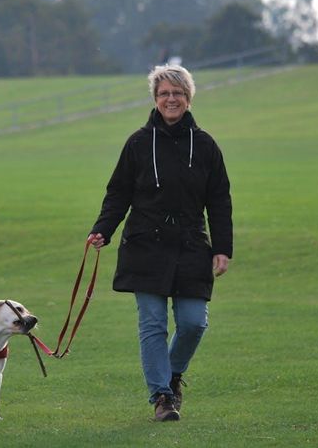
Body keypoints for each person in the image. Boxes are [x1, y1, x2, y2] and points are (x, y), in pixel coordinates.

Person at [89, 64, 233, 422]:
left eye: (178, 93)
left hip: (191, 245)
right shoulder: (138, 143)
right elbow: (118, 192)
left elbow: (219, 200)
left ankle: (172, 374)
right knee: (152, 323)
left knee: (194, 322)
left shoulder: (205, 145)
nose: (172, 99)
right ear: (155, 98)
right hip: (145, 245)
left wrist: (222, 247)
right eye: (165, 93)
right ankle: (162, 397)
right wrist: (103, 229)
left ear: (188, 99)